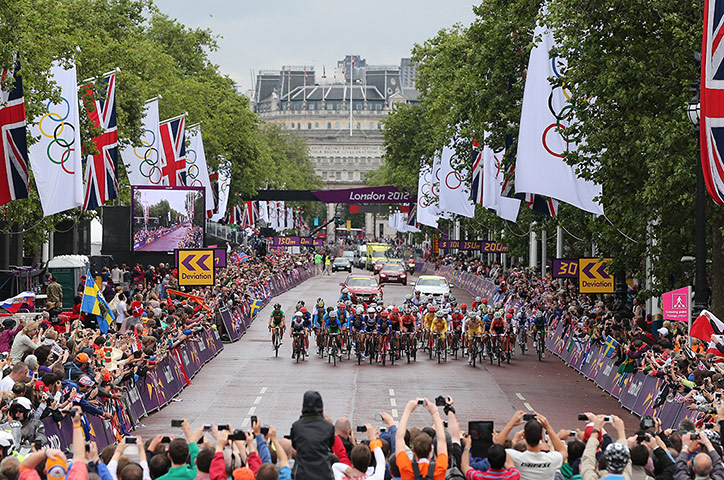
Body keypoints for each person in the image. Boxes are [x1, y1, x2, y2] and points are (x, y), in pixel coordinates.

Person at [496, 411, 566, 480]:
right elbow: (563, 451)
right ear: (541, 437)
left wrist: (511, 424)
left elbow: (496, 449)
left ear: (524, 436)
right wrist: (548, 427)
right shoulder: (552, 459)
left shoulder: (516, 457)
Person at [395, 398, 448, 480]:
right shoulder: (439, 468)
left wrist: (408, 409)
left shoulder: (406, 468)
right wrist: (434, 413)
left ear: (413, 450)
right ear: (431, 449)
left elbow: (399, 438)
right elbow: (442, 441)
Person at [290, 391, 335, 480]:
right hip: (323, 472)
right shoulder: (328, 426)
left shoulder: (297, 426)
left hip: (302, 473)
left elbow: (295, 445)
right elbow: (331, 444)